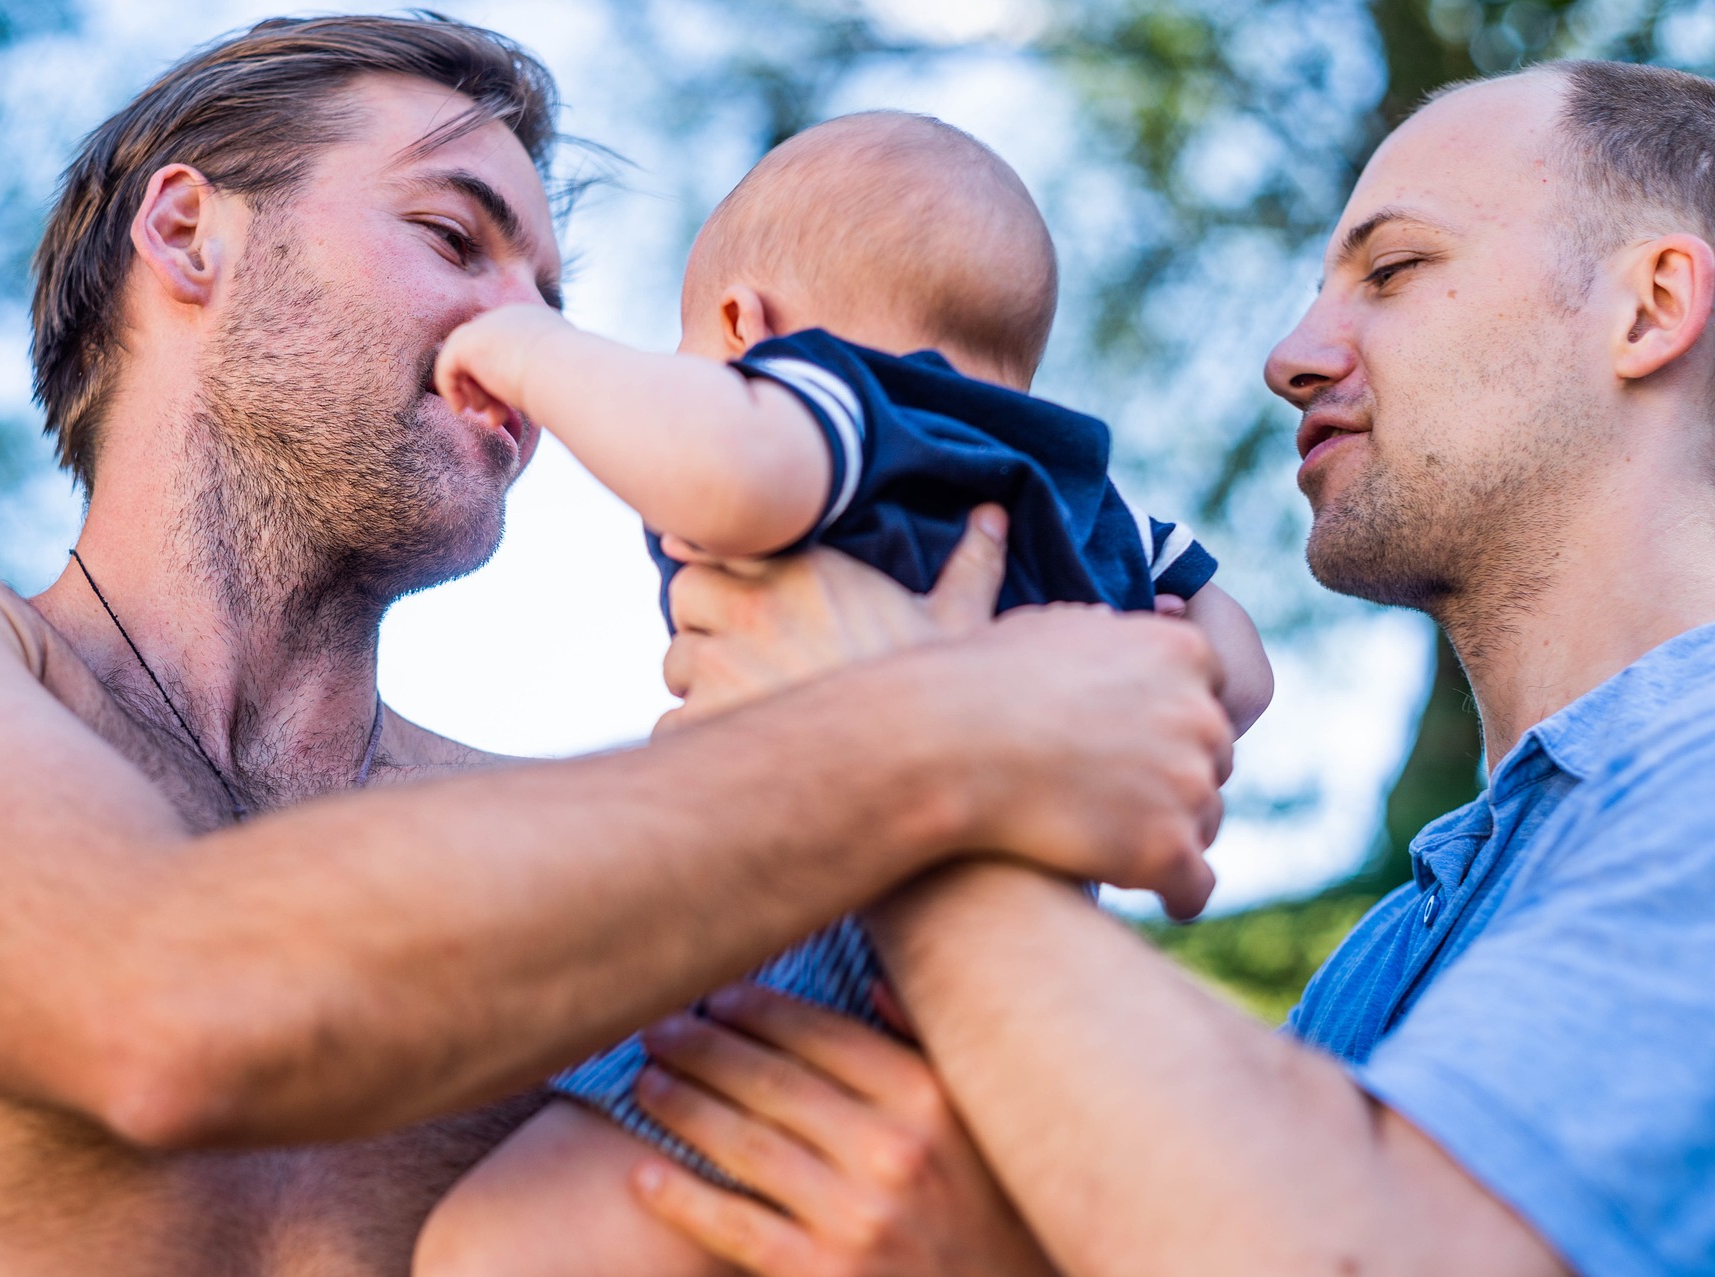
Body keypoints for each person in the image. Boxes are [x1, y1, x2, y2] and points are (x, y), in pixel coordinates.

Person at [0, 13, 1234, 1275]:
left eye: (552, 304)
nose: (530, 347)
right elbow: (159, 1001)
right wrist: (948, 727)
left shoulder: (649, 866)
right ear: (186, 233)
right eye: (453, 238)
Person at [575, 60, 1715, 1277]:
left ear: (1649, 309)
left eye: (1391, 270)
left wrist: (899, 753)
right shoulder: (1382, 958)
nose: (1290, 356)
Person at [413, 109, 1271, 1275]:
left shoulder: (854, 404)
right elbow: (1241, 671)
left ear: (742, 325)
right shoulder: (1094, 502)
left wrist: (526, 347)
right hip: (1028, 985)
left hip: (829, 914)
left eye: (687, 359)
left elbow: (726, 471)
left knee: (497, 1244)